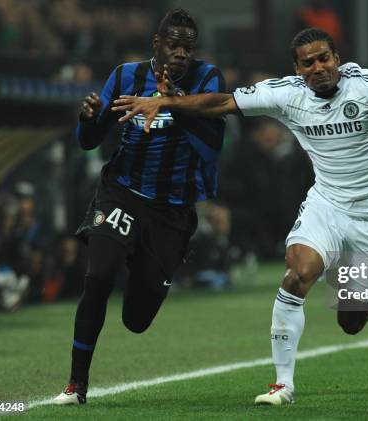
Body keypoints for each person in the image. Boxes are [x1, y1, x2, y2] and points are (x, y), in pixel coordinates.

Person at [112, 28, 368, 406]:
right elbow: (223, 102)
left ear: (336, 58)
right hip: (326, 205)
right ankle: (282, 385)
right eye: (308, 62)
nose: (318, 67)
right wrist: (167, 101)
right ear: (297, 69)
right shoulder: (286, 93)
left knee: (351, 319)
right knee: (298, 273)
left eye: (324, 58)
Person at [53, 8, 226, 405]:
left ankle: (147, 266)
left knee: (136, 320)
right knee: (97, 277)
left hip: (172, 210)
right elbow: (88, 140)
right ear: (157, 44)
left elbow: (213, 147)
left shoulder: (208, 80)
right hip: (123, 192)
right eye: (173, 45)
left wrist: (177, 104)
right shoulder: (126, 76)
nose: (181, 53)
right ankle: (76, 384)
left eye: (188, 47)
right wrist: (89, 119)